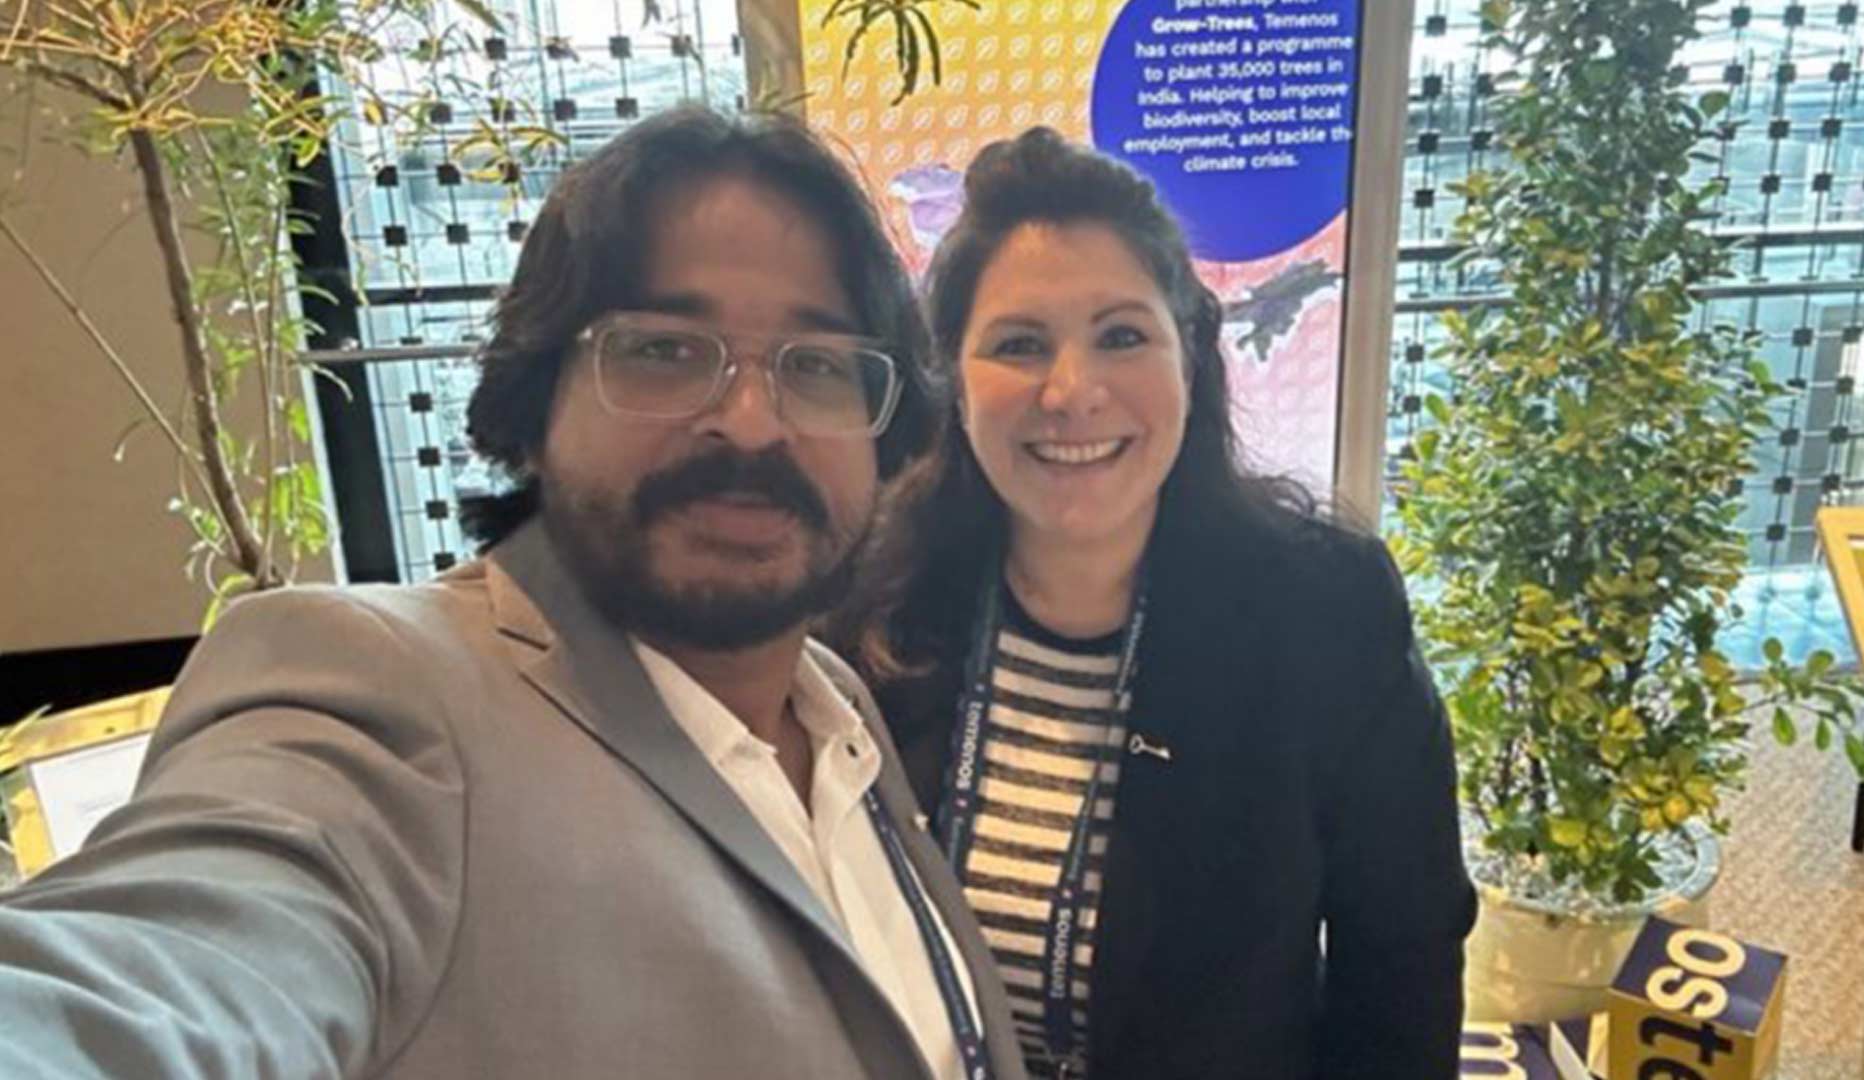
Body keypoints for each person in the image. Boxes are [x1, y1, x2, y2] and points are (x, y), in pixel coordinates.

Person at [0, 106, 1027, 1080]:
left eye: (818, 364)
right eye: (664, 350)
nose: (753, 423)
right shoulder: (387, 701)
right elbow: (168, 968)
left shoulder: (836, 708)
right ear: (536, 401)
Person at [833, 128, 1476, 1079]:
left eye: (1122, 336)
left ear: (1190, 357)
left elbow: (1402, 978)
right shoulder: (869, 603)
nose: (1071, 391)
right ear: (954, 382)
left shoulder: (1325, 614)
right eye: (1018, 344)